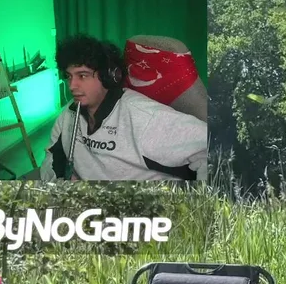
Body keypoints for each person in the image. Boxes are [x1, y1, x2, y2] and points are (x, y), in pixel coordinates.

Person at [39, 34, 207, 182]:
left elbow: (213, 150)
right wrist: (60, 184)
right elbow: (52, 158)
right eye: (69, 76)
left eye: (83, 76)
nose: (72, 86)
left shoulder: (144, 118)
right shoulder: (68, 114)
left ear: (109, 77)